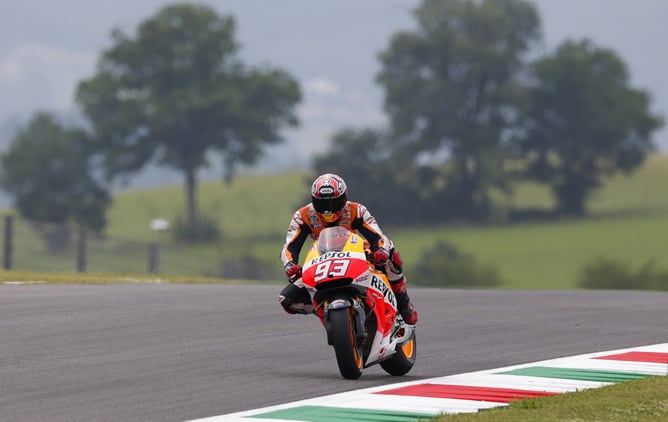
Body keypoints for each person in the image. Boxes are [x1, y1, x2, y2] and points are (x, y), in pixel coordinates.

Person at [278, 173, 418, 324]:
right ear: (313, 200)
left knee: (391, 253)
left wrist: (381, 251)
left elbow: (378, 237)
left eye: (334, 203)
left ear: (344, 198)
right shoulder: (302, 216)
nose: (328, 211)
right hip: (321, 263)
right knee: (287, 300)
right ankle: (325, 310)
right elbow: (289, 247)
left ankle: (404, 303)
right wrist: (290, 266)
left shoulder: (357, 210)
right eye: (322, 204)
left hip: (357, 256)